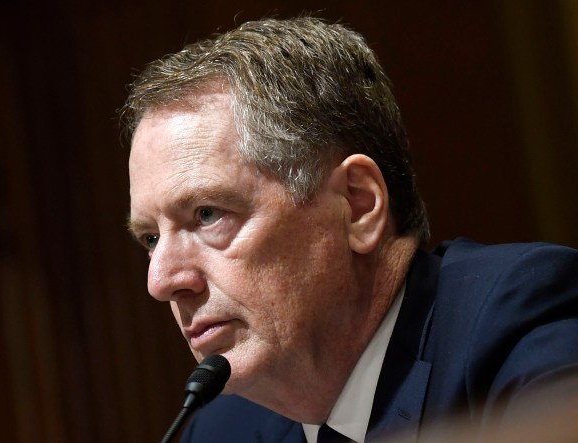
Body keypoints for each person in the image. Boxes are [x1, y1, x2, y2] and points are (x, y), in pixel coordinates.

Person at [122, 16, 578, 442]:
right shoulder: (222, 430)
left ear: (358, 206)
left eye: (207, 214)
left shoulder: (517, 320)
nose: (161, 282)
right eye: (151, 238)